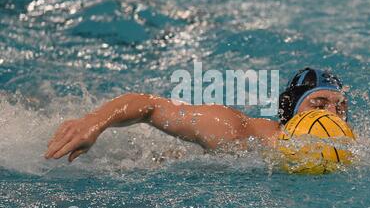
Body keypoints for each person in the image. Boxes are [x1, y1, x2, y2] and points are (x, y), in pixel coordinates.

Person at [45, 68, 348, 162]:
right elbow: (149, 105)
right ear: (290, 113)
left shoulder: (355, 152)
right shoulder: (237, 133)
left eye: (340, 107)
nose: (332, 116)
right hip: (144, 159)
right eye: (318, 105)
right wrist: (93, 123)